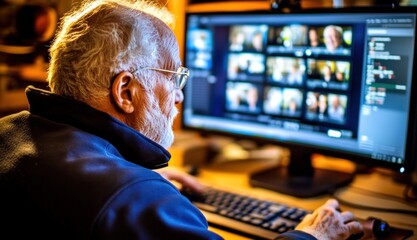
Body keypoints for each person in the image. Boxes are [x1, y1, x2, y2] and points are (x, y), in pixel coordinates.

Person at [0, 0, 363, 239]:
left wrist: (129, 173)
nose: (179, 96)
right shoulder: (135, 198)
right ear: (126, 91)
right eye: (174, 77)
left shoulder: (7, 132)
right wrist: (312, 236)